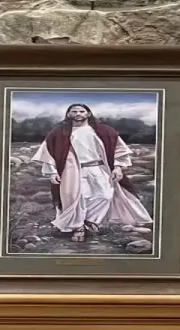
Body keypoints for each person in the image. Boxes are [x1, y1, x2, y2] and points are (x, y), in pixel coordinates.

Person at [40, 102, 153, 243]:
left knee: (105, 196)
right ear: (69, 114)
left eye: (81, 111)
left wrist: (117, 167)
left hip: (99, 168)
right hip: (71, 170)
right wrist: (52, 172)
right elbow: (47, 153)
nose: (78, 114)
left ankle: (90, 221)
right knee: (76, 198)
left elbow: (120, 150)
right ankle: (78, 227)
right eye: (74, 111)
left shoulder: (104, 131)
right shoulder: (58, 133)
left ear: (88, 113)